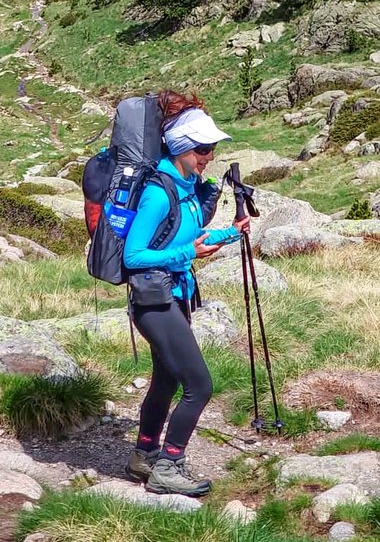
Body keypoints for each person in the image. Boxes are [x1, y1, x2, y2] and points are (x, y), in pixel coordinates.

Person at [122, 93, 248, 497]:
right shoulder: (160, 193)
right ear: (181, 148)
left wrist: (233, 231)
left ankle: (144, 455)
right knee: (199, 386)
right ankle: (169, 467)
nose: (209, 156)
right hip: (153, 302)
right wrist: (185, 254)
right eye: (203, 149)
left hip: (173, 294)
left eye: (211, 149)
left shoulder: (186, 187)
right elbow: (134, 255)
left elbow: (190, 237)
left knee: (165, 381)